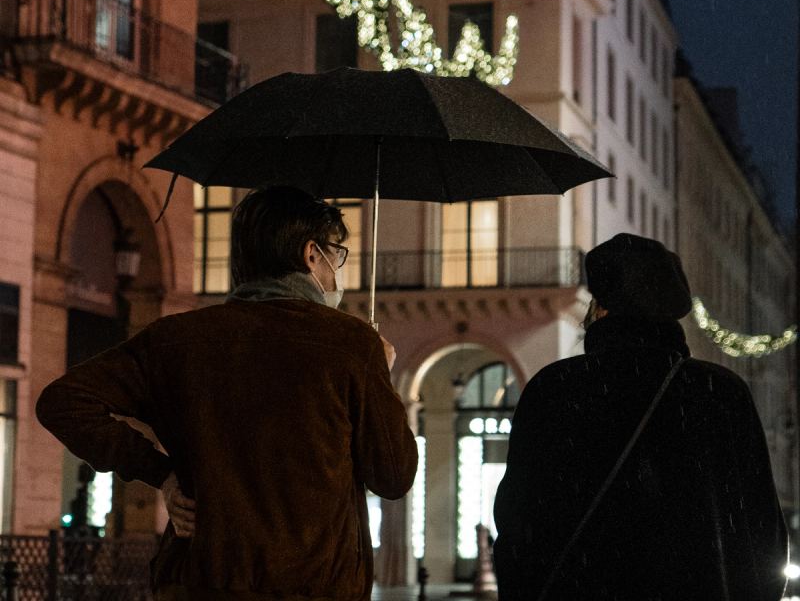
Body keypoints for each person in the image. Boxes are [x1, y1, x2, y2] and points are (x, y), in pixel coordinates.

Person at [37, 186, 418, 601]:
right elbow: (394, 475)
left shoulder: (176, 340)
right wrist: (380, 375)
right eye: (335, 255)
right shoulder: (349, 344)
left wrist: (161, 475)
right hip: (314, 582)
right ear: (311, 255)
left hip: (201, 576)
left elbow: (64, 402)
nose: (336, 272)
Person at [493, 232, 788, 601]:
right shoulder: (720, 393)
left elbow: (518, 525)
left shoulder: (555, 388)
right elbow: (762, 534)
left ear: (599, 307)